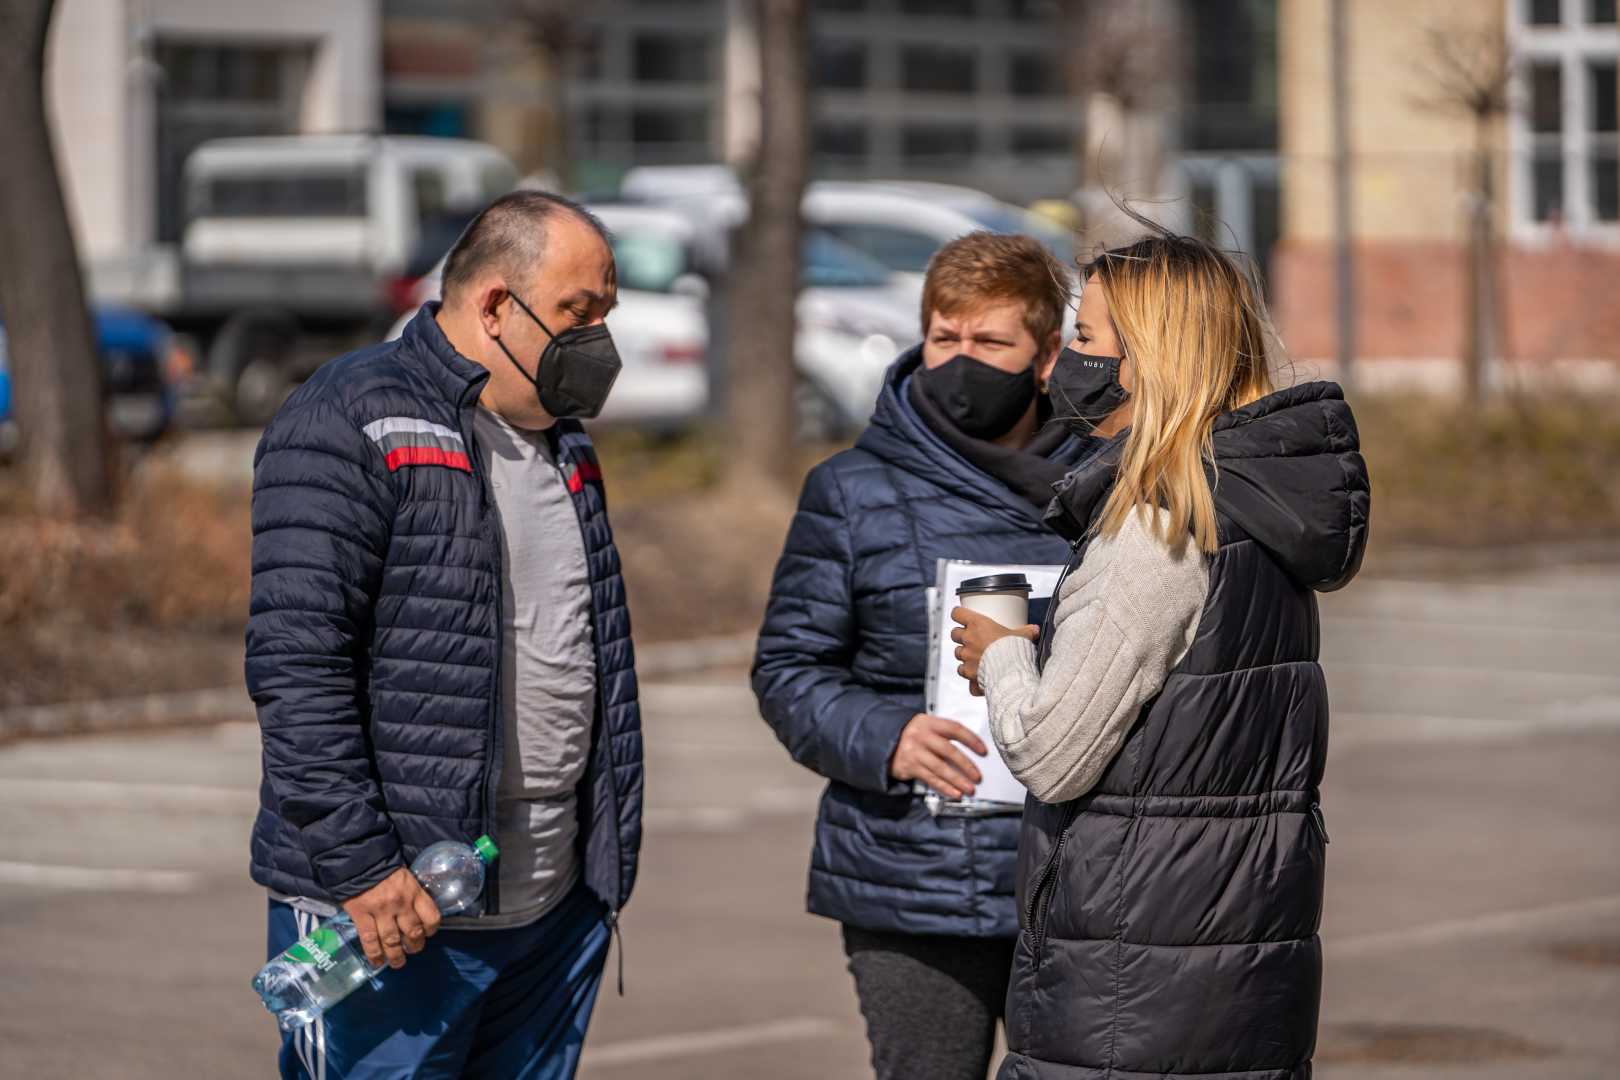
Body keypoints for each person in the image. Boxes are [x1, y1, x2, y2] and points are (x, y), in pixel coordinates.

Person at [952, 229, 1371, 1080]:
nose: (1066, 361)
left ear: (1148, 355)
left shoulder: (1161, 525)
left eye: (1086, 338)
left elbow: (1052, 752)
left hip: (1133, 988)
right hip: (1231, 967)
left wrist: (1001, 656)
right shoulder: (1252, 507)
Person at [246, 191, 643, 1080]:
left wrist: (597, 873)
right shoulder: (350, 416)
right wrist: (362, 869)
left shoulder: (563, 442)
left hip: (552, 913)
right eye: (580, 313)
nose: (600, 341)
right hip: (391, 919)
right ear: (496, 304)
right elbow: (296, 666)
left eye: (607, 316)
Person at [753, 231, 1097, 1080]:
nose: (960, 362)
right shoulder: (851, 491)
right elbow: (788, 669)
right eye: (945, 338)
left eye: (990, 344)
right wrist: (887, 735)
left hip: (1077, 874)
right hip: (911, 877)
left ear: (1047, 356)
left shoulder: (1105, 485)